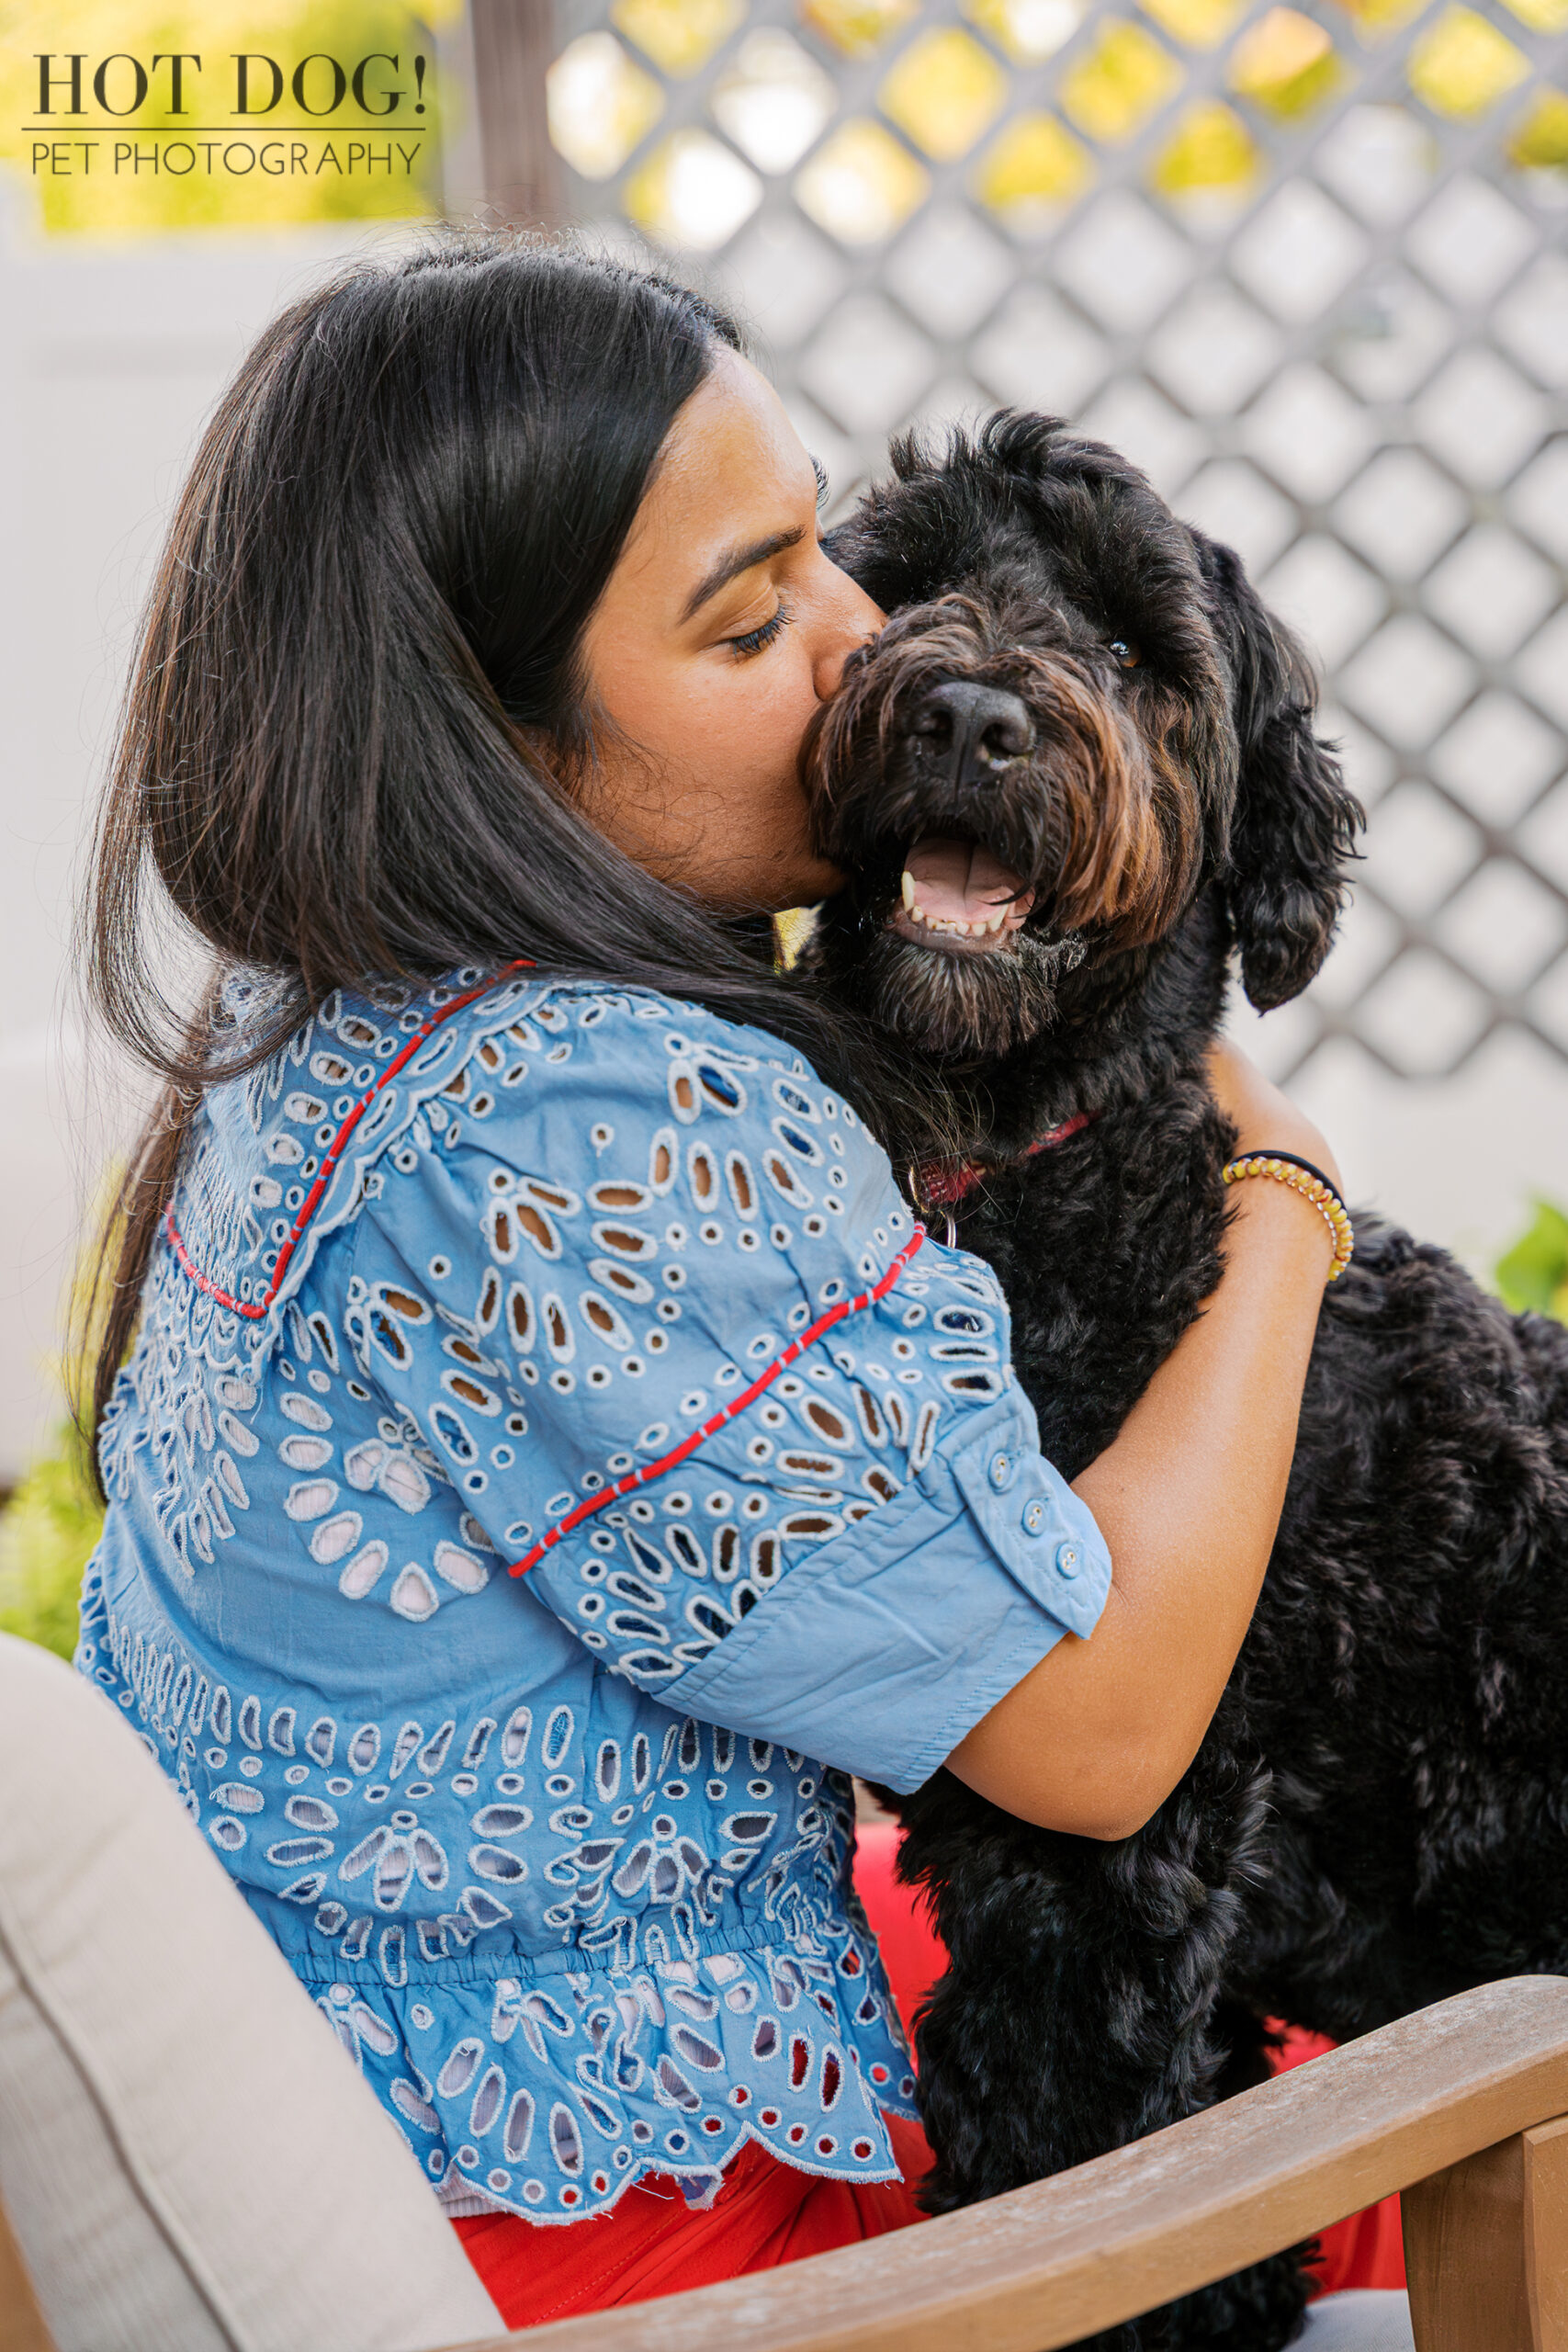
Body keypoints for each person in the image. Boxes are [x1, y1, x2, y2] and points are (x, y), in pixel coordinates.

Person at [78, 232, 1352, 2330]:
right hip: (657, 2244)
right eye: (754, 617)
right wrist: (1284, 1192)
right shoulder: (597, 1127)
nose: (866, 650)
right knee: (1437, 2071)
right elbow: (1103, 1726)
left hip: (379, 2066)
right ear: (495, 737)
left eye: (824, 552)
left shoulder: (319, 1006)